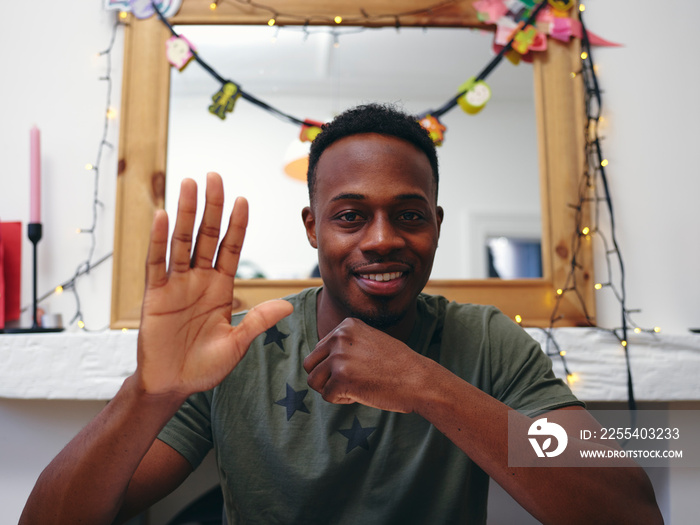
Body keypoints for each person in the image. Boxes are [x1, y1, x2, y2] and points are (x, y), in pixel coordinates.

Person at [20, 104, 662, 524]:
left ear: (435, 227)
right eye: (350, 216)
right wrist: (148, 394)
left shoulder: (486, 339)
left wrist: (422, 384)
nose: (381, 239)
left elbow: (630, 510)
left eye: (408, 215)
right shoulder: (242, 349)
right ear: (313, 228)